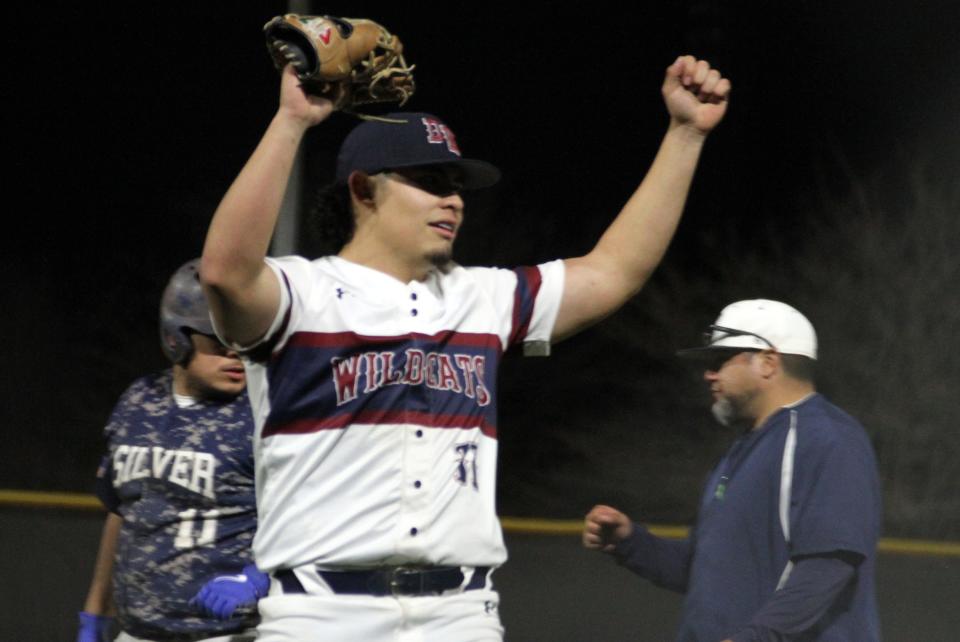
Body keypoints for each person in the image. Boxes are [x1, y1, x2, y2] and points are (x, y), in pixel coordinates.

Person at [200, 55, 730, 641]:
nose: (452, 200)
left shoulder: (483, 297)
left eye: (455, 186)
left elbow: (614, 270)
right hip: (321, 615)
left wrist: (684, 136)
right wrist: (291, 122)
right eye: (429, 182)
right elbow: (224, 273)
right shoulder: (302, 294)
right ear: (362, 190)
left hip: (460, 614)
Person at [583, 299, 882, 642]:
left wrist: (757, 637)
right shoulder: (741, 450)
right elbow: (704, 571)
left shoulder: (826, 436)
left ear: (768, 362)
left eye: (720, 360)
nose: (709, 374)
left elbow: (830, 564)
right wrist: (631, 542)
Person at [77, 259, 267, 642]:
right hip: (136, 631)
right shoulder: (138, 402)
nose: (235, 354)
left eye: (244, 342)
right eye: (219, 340)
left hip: (228, 632)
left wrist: (260, 577)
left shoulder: (264, 412)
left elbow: (304, 517)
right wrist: (95, 611)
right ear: (176, 337)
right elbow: (121, 511)